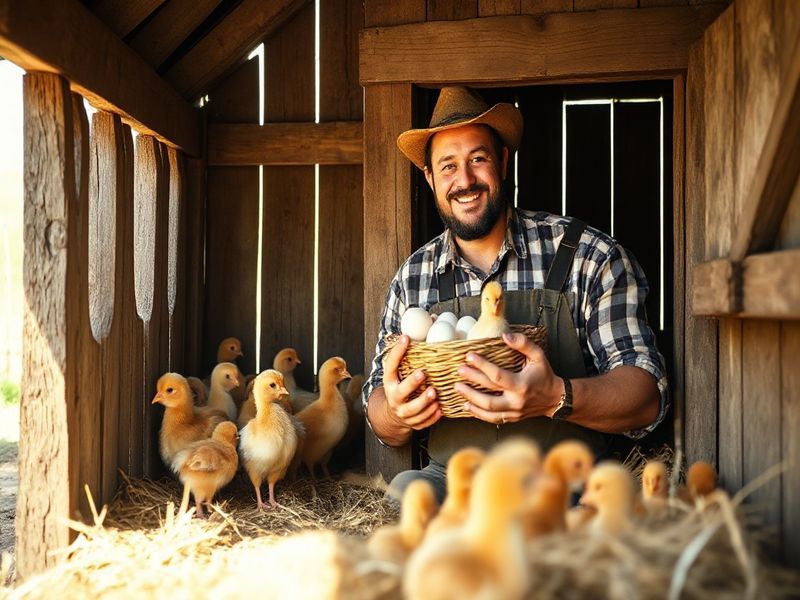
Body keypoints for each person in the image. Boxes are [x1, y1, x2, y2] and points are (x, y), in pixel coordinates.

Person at [362, 86, 668, 503]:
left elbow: (647, 395)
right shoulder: (414, 278)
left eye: (478, 159)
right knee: (405, 495)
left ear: (503, 162)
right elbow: (378, 404)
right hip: (457, 488)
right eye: (448, 166)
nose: (464, 180)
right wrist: (395, 412)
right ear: (430, 178)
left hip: (568, 486)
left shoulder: (588, 256)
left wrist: (555, 397)